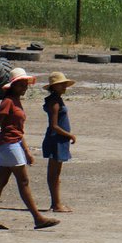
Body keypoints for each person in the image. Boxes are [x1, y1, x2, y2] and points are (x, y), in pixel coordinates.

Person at [0, 66, 60, 230]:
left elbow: (18, 130)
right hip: (8, 144)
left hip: (13, 143)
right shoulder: (8, 101)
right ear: (13, 85)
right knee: (23, 181)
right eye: (21, 84)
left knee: (0, 182)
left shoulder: (16, 101)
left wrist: (26, 151)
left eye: (25, 84)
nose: (24, 87)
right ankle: (38, 218)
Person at [41, 71, 78, 213]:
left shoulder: (55, 100)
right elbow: (54, 126)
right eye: (61, 85)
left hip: (58, 140)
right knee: (54, 174)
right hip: (56, 140)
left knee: (55, 173)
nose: (64, 87)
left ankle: (56, 202)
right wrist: (70, 135)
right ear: (54, 87)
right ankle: (56, 204)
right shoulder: (55, 102)